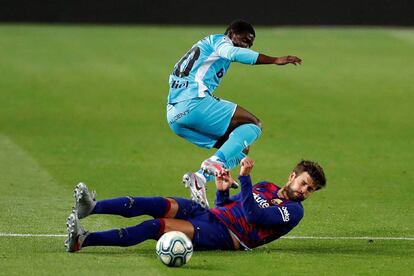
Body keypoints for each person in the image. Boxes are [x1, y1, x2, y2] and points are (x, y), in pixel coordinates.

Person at [166, 19, 302, 207]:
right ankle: (214, 162)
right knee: (254, 125)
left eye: (251, 43)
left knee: (241, 149)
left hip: (174, 117)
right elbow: (232, 52)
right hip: (194, 102)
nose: (247, 45)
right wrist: (275, 60)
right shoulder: (219, 41)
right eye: (245, 40)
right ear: (231, 34)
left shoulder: (202, 50)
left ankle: (200, 178)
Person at [65, 157, 326, 252]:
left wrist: (245, 179)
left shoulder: (293, 211)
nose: (305, 191)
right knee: (157, 203)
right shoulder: (266, 187)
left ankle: (84, 240)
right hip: (211, 215)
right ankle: (92, 208)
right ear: (292, 176)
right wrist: (222, 193)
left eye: (310, 190)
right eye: (304, 183)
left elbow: (254, 215)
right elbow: (229, 206)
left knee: (156, 226)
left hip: (226, 235)